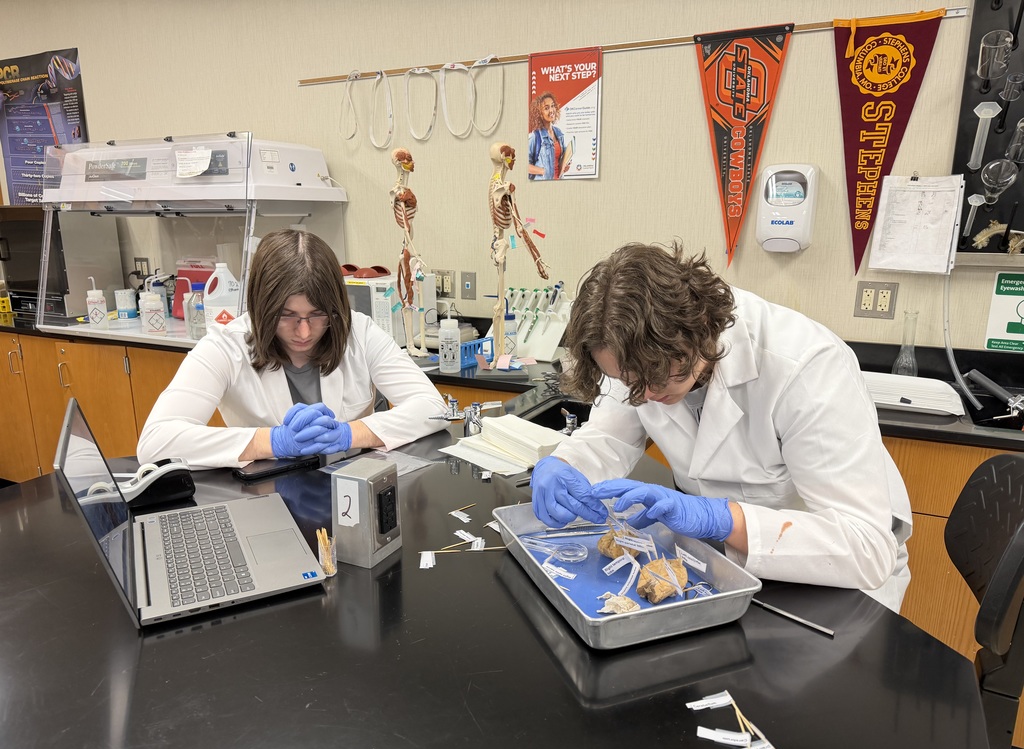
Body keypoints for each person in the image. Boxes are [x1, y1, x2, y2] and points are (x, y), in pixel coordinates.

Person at [531, 242, 912, 612]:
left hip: (835, 579)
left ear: (693, 334)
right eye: (628, 381)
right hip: (727, 569)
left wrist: (722, 518)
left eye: (654, 377)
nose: (643, 395)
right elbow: (609, 435)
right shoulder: (636, 352)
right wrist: (566, 464)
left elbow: (866, 547)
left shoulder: (806, 366)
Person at [137, 229, 448, 470]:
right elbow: (156, 442)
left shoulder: (360, 332)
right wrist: (272, 442)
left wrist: (348, 434)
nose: (303, 332)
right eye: (286, 316)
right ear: (261, 307)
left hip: (352, 490)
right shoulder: (225, 346)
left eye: (317, 315)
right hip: (264, 499)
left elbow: (435, 409)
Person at [527, 92, 570, 180]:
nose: (551, 110)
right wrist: (542, 171)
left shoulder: (558, 133)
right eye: (546, 108)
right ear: (539, 113)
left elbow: (561, 158)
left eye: (553, 106)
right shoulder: (535, 137)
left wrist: (565, 166)